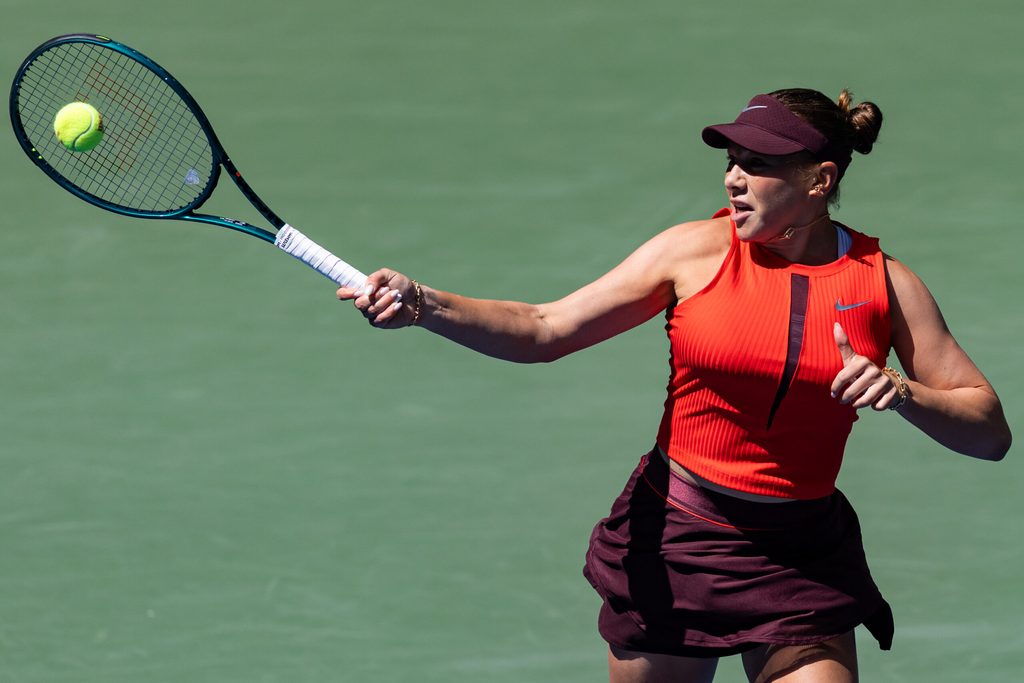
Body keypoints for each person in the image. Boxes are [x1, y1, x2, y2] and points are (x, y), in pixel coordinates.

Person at [337, 88, 1011, 683]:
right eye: (730, 161)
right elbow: (544, 328)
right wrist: (425, 303)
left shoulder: (886, 283)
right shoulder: (692, 253)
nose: (734, 180)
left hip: (802, 556)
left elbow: (988, 431)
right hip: (677, 541)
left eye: (758, 165)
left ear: (819, 179)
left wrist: (901, 390)